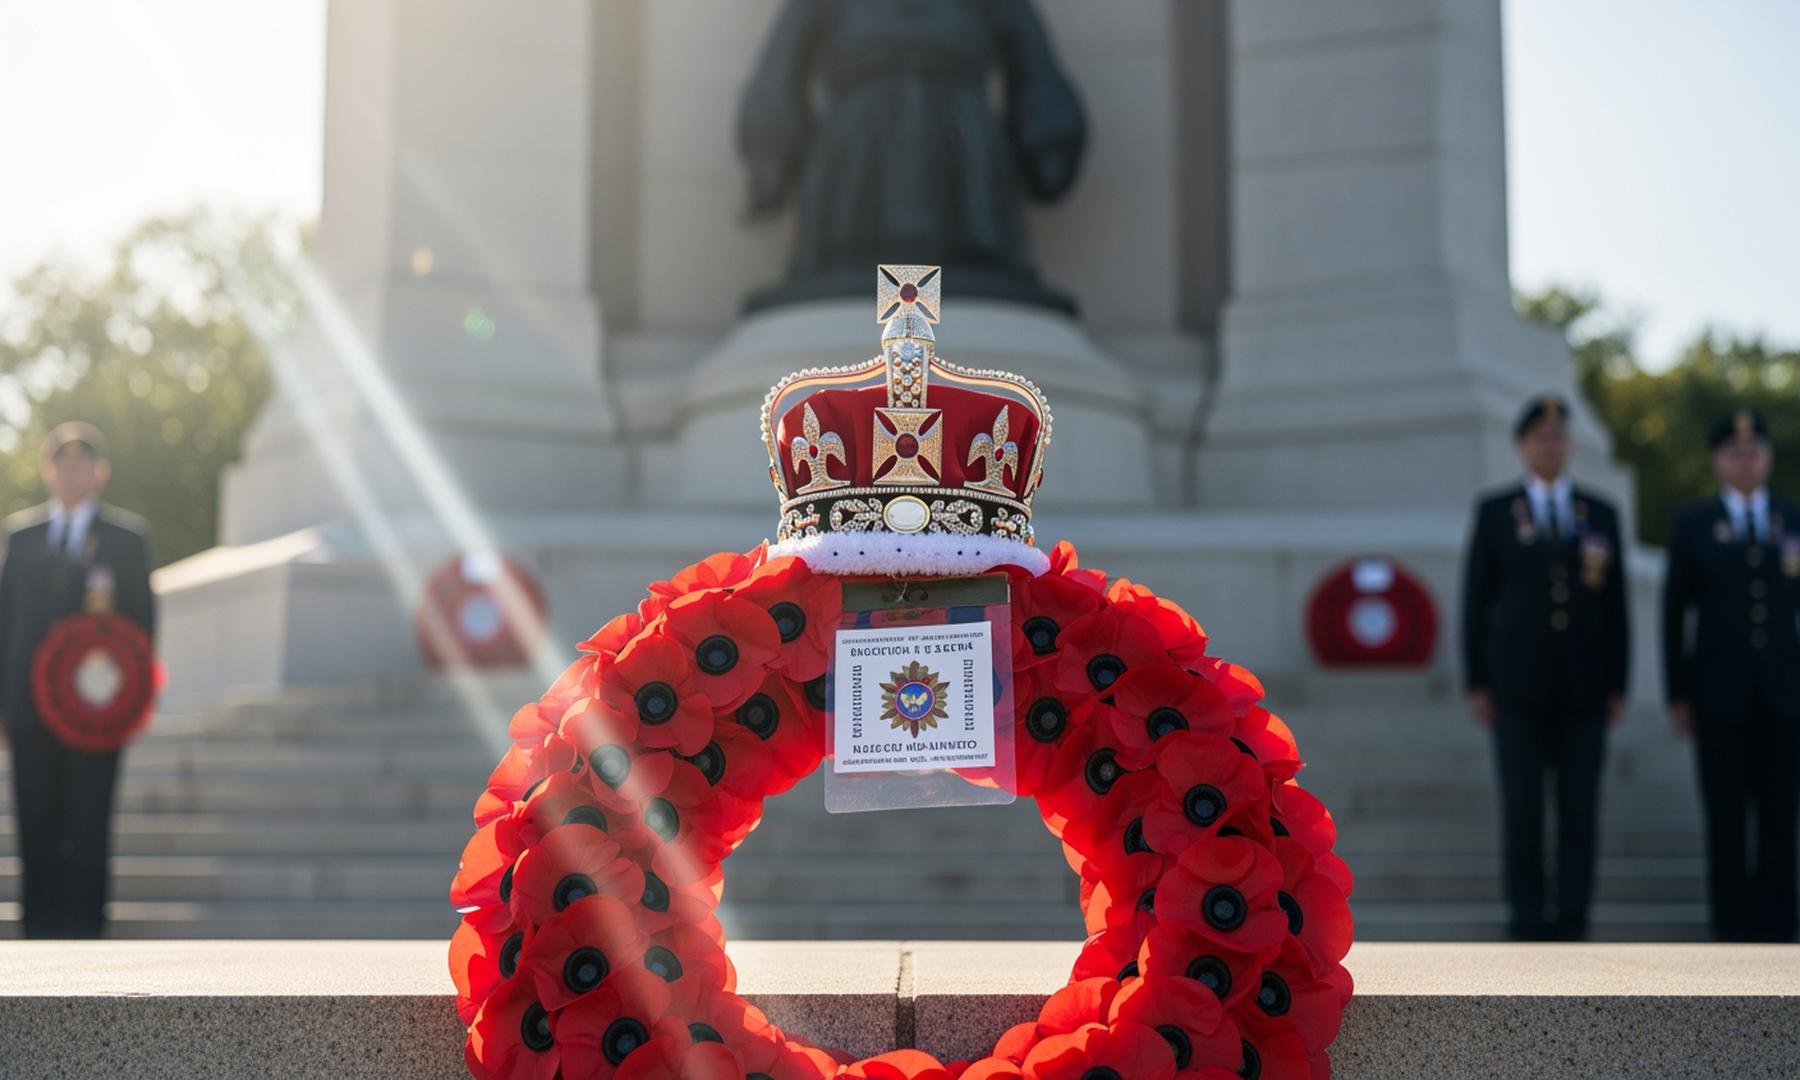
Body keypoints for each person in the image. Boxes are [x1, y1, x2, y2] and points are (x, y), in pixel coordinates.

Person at [1461, 394, 1629, 940]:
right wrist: (1477, 681)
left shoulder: (1600, 513)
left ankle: (1573, 914)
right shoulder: (1495, 512)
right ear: (1522, 446)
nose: (1550, 444)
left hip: (1585, 689)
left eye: (1559, 436)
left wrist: (1618, 682)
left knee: (1580, 806)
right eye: (1540, 437)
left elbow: (1617, 607)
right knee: (1523, 806)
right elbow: (1475, 602)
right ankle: (1528, 916)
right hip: (1517, 688)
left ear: (1570, 444)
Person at [0, 421, 156, 938]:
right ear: (48, 471)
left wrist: (129, 702)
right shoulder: (21, 538)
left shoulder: (125, 541)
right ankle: (38, 944)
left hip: (96, 712)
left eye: (82, 464)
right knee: (36, 825)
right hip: (28, 711)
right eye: (62, 464)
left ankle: (88, 946)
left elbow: (140, 628)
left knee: (89, 827)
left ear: (99, 472)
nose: (72, 473)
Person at [1663, 409, 1799, 942]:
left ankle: (1779, 927)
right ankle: (1732, 929)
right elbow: (1675, 613)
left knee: (1780, 817)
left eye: (1754, 450)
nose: (1746, 458)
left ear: (1767, 457)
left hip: (1785, 695)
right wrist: (1677, 691)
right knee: (1725, 818)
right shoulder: (1693, 524)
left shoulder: (1792, 519)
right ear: (1718, 461)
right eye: (1734, 452)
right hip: (1717, 695)